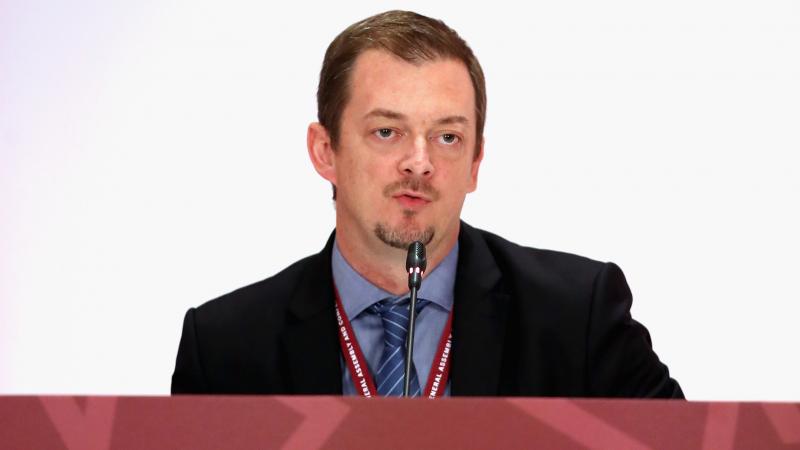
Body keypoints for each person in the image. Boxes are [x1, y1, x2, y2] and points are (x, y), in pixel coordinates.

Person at [171, 10, 683, 398]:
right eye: (387, 131)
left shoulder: (578, 317)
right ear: (325, 151)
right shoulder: (224, 348)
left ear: (476, 162)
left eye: (447, 137)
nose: (419, 162)